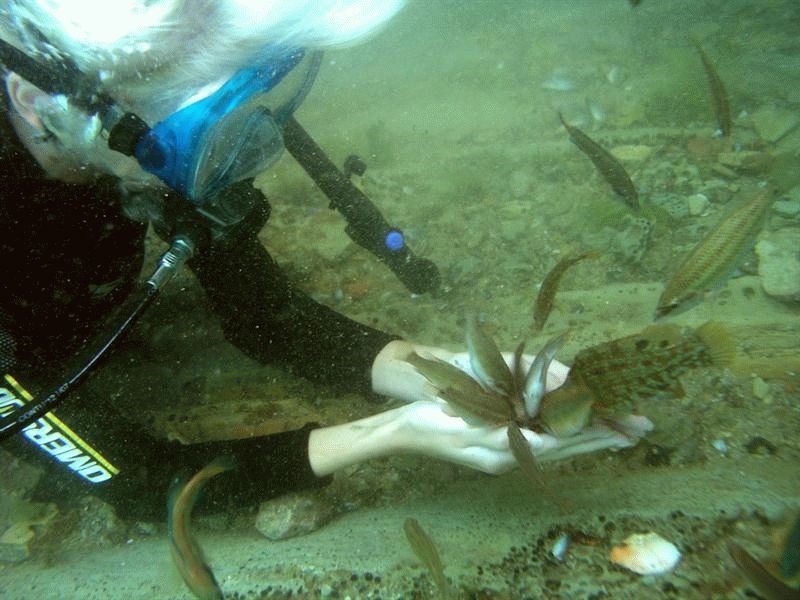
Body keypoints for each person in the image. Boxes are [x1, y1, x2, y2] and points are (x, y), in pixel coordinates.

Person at [0, 1, 650, 521]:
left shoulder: (134, 147)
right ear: (36, 101)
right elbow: (143, 483)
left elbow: (269, 320)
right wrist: (393, 435)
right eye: (195, 134)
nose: (227, 163)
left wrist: (439, 374)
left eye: (231, 108)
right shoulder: (131, 144)